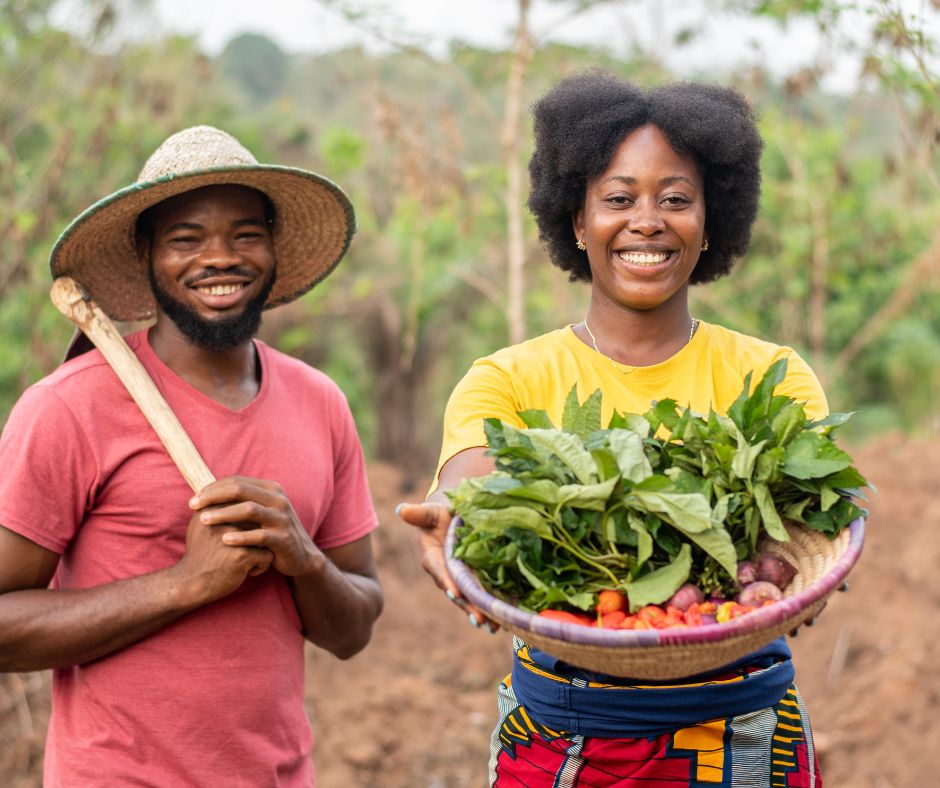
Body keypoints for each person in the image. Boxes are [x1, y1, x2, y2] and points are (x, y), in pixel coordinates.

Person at [399, 72, 828, 787]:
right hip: (565, 742)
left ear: (710, 217)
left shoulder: (772, 377)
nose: (648, 221)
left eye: (676, 200)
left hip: (744, 739)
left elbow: (820, 514)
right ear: (576, 219)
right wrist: (453, 511)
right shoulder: (509, 379)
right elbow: (471, 477)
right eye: (619, 199)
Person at [0, 126, 383, 787]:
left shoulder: (320, 403)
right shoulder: (68, 407)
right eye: (186, 238)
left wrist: (305, 560)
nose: (220, 257)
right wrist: (183, 584)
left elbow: (353, 630)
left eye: (244, 234)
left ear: (272, 247)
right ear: (147, 254)